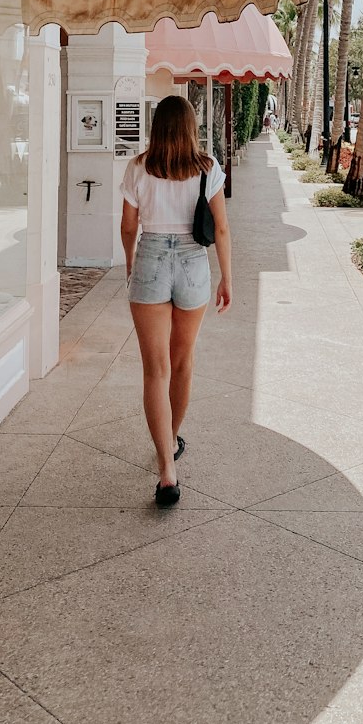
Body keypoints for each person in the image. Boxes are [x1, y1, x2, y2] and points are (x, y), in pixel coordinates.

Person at [120, 95, 232, 507]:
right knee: (182, 360)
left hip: (150, 257)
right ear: (190, 126)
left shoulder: (138, 167)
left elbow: (128, 227)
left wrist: (131, 266)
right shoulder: (208, 167)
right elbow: (221, 228)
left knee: (155, 370)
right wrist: (226, 278)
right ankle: (171, 439)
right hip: (192, 263)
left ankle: (168, 470)